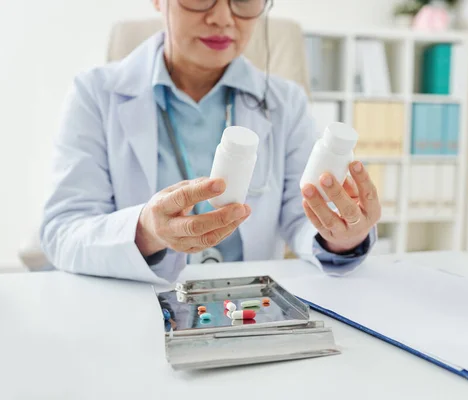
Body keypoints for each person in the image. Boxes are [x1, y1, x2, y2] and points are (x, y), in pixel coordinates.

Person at [40, 0, 382, 284]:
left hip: (250, 308)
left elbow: (302, 216)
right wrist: (146, 231)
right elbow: (63, 231)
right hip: (137, 305)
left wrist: (341, 237)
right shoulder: (95, 95)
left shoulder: (285, 102)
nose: (221, 17)